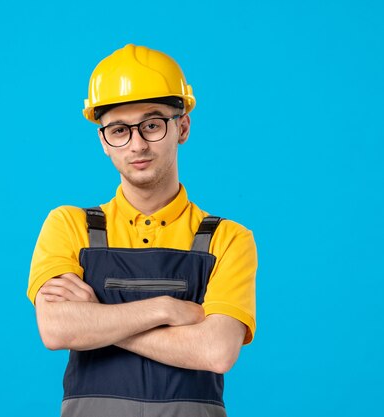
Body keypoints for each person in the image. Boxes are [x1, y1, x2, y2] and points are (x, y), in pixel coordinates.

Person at [27, 44, 257, 417]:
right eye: (119, 130)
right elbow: (56, 329)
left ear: (182, 127)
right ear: (104, 141)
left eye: (152, 125)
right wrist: (167, 309)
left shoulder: (228, 239)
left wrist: (98, 318)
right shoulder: (69, 225)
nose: (137, 144)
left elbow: (216, 352)